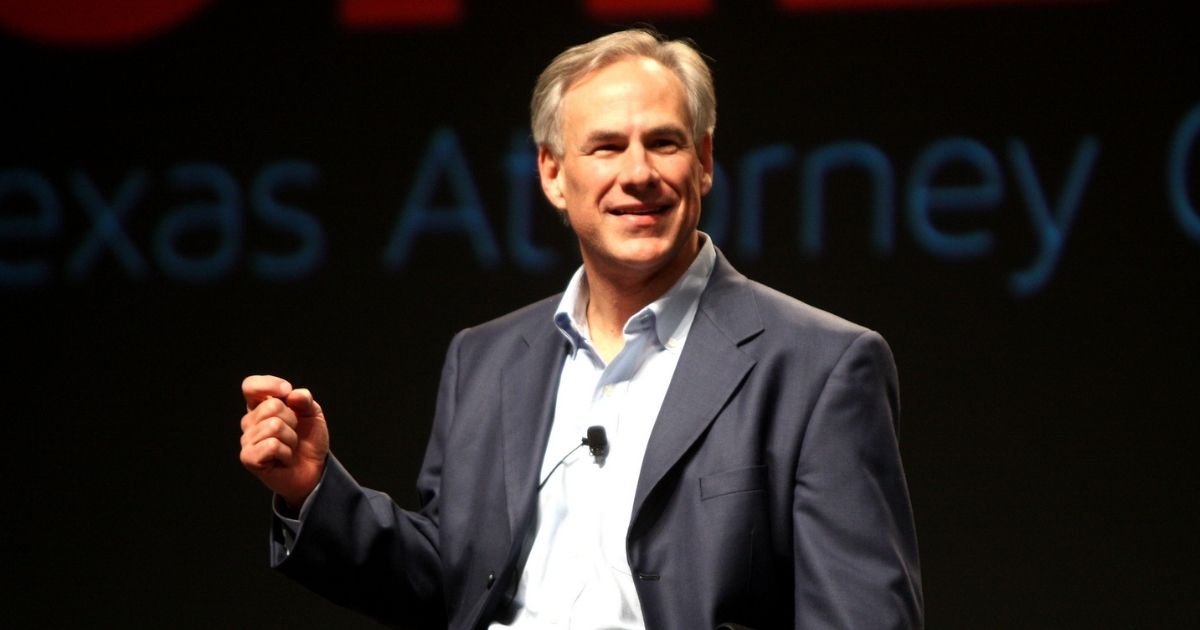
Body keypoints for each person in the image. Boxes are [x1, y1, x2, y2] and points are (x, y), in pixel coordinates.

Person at [239, 29, 923, 630]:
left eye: (664, 143)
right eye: (605, 147)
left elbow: (862, 614)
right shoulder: (484, 358)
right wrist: (314, 489)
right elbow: (450, 584)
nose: (638, 173)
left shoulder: (819, 365)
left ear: (705, 162)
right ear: (553, 174)